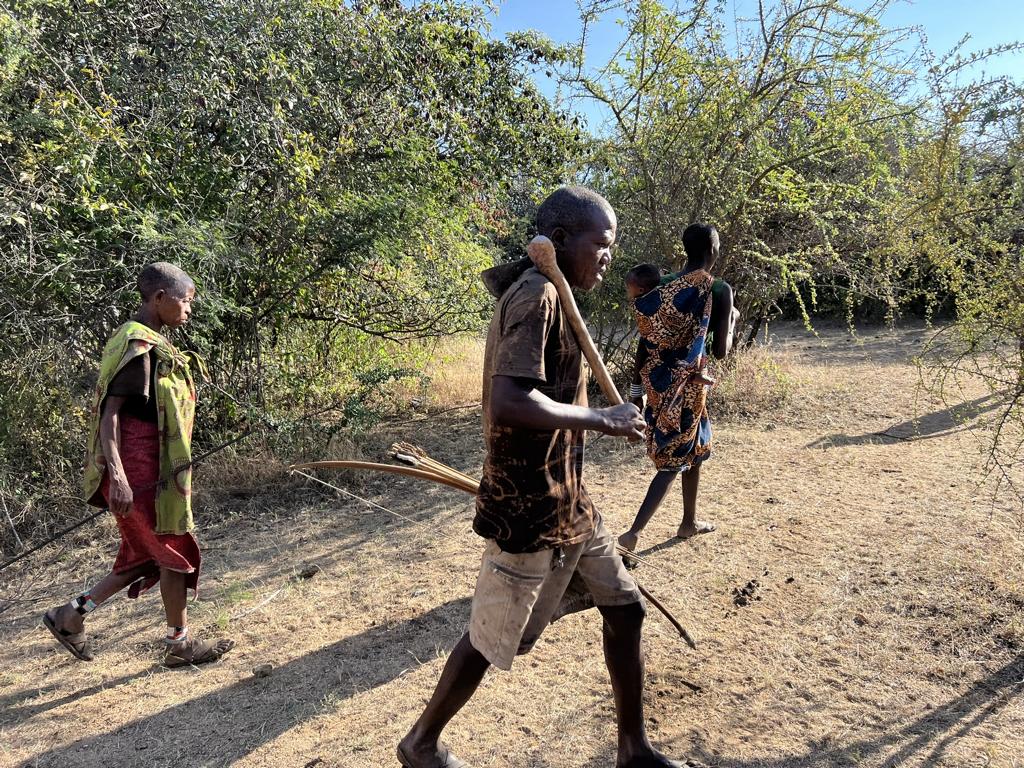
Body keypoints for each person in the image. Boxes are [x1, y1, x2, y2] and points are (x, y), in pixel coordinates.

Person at [397, 187, 687, 768]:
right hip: (528, 506)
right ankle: (420, 743)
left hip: (570, 503)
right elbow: (509, 401)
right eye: (599, 244)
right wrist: (600, 418)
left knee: (625, 607)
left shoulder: (552, 290)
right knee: (493, 637)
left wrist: (601, 414)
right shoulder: (535, 296)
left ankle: (633, 749)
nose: (607, 257)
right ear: (558, 242)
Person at [42, 262, 234, 668]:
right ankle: (179, 646)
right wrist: (120, 479)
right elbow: (110, 416)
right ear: (160, 299)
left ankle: (70, 616)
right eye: (185, 301)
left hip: (154, 473)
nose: (189, 309)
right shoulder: (139, 350)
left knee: (142, 559)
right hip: (136, 475)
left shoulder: (151, 345)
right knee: (173, 554)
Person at [618, 224, 738, 556]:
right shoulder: (718, 289)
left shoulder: (662, 284)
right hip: (686, 387)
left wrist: (635, 391)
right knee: (673, 458)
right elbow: (720, 351)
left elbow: (645, 340)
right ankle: (632, 535)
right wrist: (733, 321)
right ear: (714, 248)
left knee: (695, 447)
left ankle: (689, 522)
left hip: (656, 379)